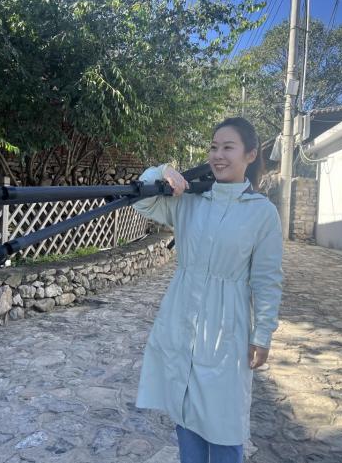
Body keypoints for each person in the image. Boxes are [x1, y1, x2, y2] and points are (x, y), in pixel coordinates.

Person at [132, 117, 284, 463]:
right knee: (185, 411)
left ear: (250, 154)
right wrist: (163, 172)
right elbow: (141, 199)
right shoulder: (191, 200)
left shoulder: (262, 213)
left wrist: (263, 333)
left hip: (227, 326)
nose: (218, 155)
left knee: (225, 422)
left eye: (228, 147)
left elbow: (266, 279)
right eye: (214, 147)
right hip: (181, 316)